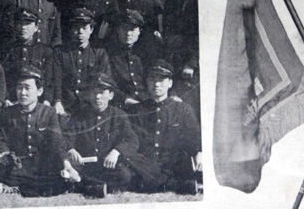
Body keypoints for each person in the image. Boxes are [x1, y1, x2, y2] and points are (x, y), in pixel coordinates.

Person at [0, 65, 75, 197]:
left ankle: (15, 187)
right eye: (19, 87)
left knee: (64, 171)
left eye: (27, 88)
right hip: (15, 167)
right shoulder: (6, 113)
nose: (22, 93)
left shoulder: (49, 112)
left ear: (39, 91)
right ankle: (24, 186)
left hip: (39, 167)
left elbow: (57, 142)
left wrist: (66, 164)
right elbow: (0, 138)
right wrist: (5, 153)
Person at [130, 60, 202, 194]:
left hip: (172, 164)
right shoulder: (137, 110)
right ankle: (177, 185)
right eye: (152, 79)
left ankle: (159, 183)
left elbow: (194, 136)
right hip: (147, 165)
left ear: (170, 83)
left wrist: (199, 152)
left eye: (162, 80)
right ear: (147, 82)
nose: (156, 84)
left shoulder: (183, 109)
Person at [64, 73, 142, 194]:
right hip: (85, 166)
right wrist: (71, 149)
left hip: (108, 166)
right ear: (89, 95)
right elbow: (66, 137)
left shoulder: (119, 115)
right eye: (94, 93)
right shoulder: (79, 115)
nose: (97, 97)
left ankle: (88, 186)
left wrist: (116, 151)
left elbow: (132, 140)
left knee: (125, 175)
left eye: (102, 93)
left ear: (111, 95)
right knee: (66, 174)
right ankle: (95, 186)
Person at [162, 0, 200, 119]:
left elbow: (199, 35)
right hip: (174, 61)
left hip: (189, 65)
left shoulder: (195, 0)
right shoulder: (170, 1)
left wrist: (191, 63)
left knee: (190, 105)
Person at [54, 7, 110, 117]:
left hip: (90, 106)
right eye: (76, 27)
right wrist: (57, 101)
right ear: (71, 29)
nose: (80, 32)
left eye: (84, 28)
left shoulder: (100, 53)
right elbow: (56, 79)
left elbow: (103, 83)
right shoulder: (60, 52)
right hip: (65, 106)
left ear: (91, 30)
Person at [1, 7, 59, 106]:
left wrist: (47, 100)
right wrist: (6, 99)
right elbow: (2, 78)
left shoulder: (45, 51)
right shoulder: (7, 50)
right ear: (14, 26)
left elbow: (49, 80)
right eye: (20, 23)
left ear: (36, 27)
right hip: (13, 102)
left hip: (39, 103)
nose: (23, 27)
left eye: (28, 24)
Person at [106, 10, 150, 109]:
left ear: (139, 31)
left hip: (147, 101)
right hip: (121, 104)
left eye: (133, 29)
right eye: (124, 29)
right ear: (118, 30)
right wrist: (124, 99)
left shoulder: (146, 52)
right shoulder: (109, 53)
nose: (128, 33)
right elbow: (107, 82)